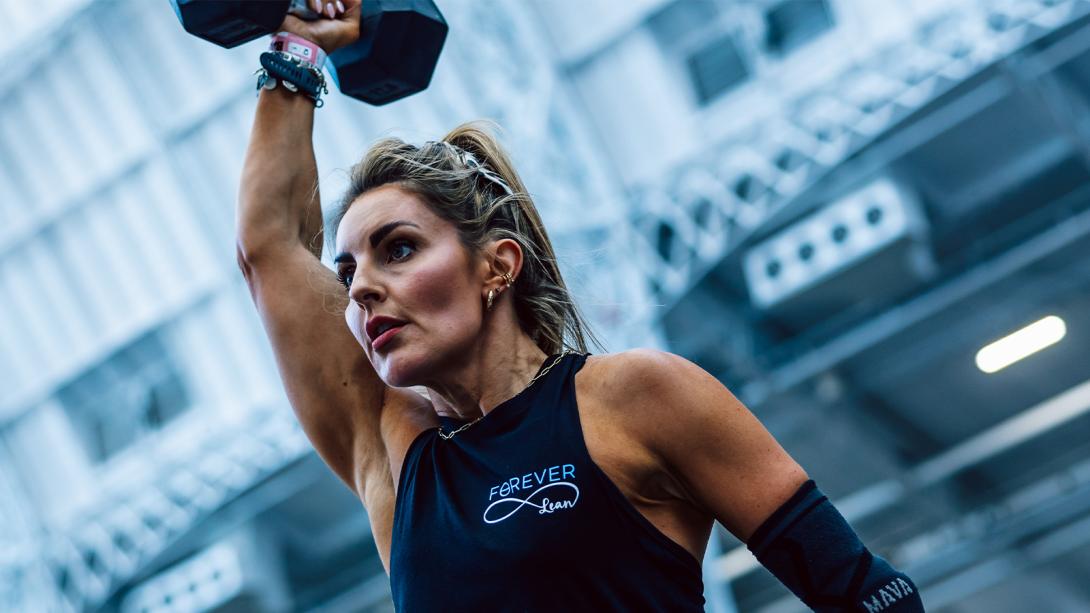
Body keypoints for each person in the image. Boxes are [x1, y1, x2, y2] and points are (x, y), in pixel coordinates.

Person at [235, 1, 925, 611]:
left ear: (497, 265)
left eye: (400, 248)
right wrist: (298, 47)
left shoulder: (635, 396)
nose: (359, 288)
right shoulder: (392, 454)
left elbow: (869, 594)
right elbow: (269, 249)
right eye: (349, 269)